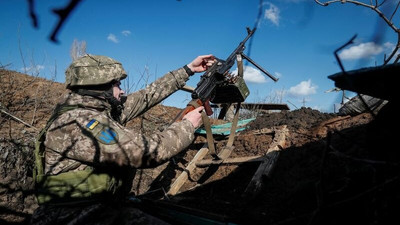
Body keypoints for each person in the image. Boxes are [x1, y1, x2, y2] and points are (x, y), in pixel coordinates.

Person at [30, 54, 216, 225]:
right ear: (99, 88)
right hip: (74, 215)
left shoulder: (96, 107)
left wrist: (188, 69)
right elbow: (147, 152)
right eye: (117, 84)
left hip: (98, 205)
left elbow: (146, 96)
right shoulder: (79, 123)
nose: (122, 90)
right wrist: (187, 126)